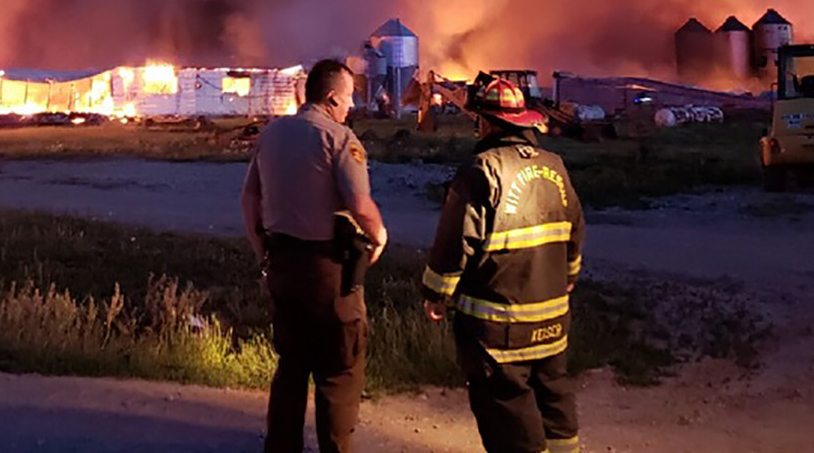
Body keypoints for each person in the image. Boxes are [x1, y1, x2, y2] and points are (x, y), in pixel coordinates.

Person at [421, 73, 586, 453]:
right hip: (552, 321)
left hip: (497, 329)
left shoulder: (482, 169)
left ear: (486, 122)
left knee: (508, 410)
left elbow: (454, 242)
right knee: (554, 401)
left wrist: (435, 294)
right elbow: (575, 230)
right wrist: (569, 277)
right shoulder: (555, 166)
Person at [241, 58, 388, 453]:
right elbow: (360, 203)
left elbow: (249, 198)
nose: (352, 107)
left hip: (284, 269)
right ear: (331, 97)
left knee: (291, 367)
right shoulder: (341, 140)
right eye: (349, 98)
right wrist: (379, 235)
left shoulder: (271, 135)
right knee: (338, 373)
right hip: (330, 274)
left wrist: (263, 252)